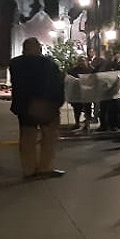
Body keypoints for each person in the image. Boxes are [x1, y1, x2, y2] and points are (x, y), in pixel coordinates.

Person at [9, 37, 66, 179]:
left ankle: (29, 170)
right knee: (49, 137)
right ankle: (45, 168)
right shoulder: (48, 64)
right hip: (46, 105)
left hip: (24, 106)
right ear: (38, 48)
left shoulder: (15, 64)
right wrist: (58, 102)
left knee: (27, 138)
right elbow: (56, 84)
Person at [67, 56, 95, 130]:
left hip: (87, 93)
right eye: (80, 61)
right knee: (77, 109)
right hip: (77, 93)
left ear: (86, 61)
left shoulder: (91, 70)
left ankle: (87, 124)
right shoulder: (73, 70)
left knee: (88, 109)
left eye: (83, 61)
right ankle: (77, 123)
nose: (81, 62)